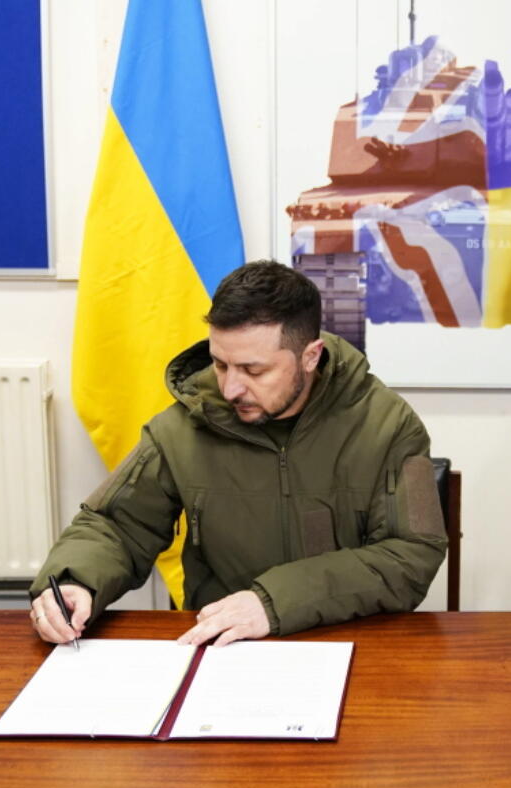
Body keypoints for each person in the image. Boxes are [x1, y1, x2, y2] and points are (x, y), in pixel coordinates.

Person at [29, 260, 447, 646]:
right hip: (223, 647)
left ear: (310, 357)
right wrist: (75, 580)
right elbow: (116, 524)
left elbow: (410, 554)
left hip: (350, 643)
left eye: (254, 370)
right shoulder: (185, 425)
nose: (230, 389)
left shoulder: (387, 426)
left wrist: (274, 601)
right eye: (220, 364)